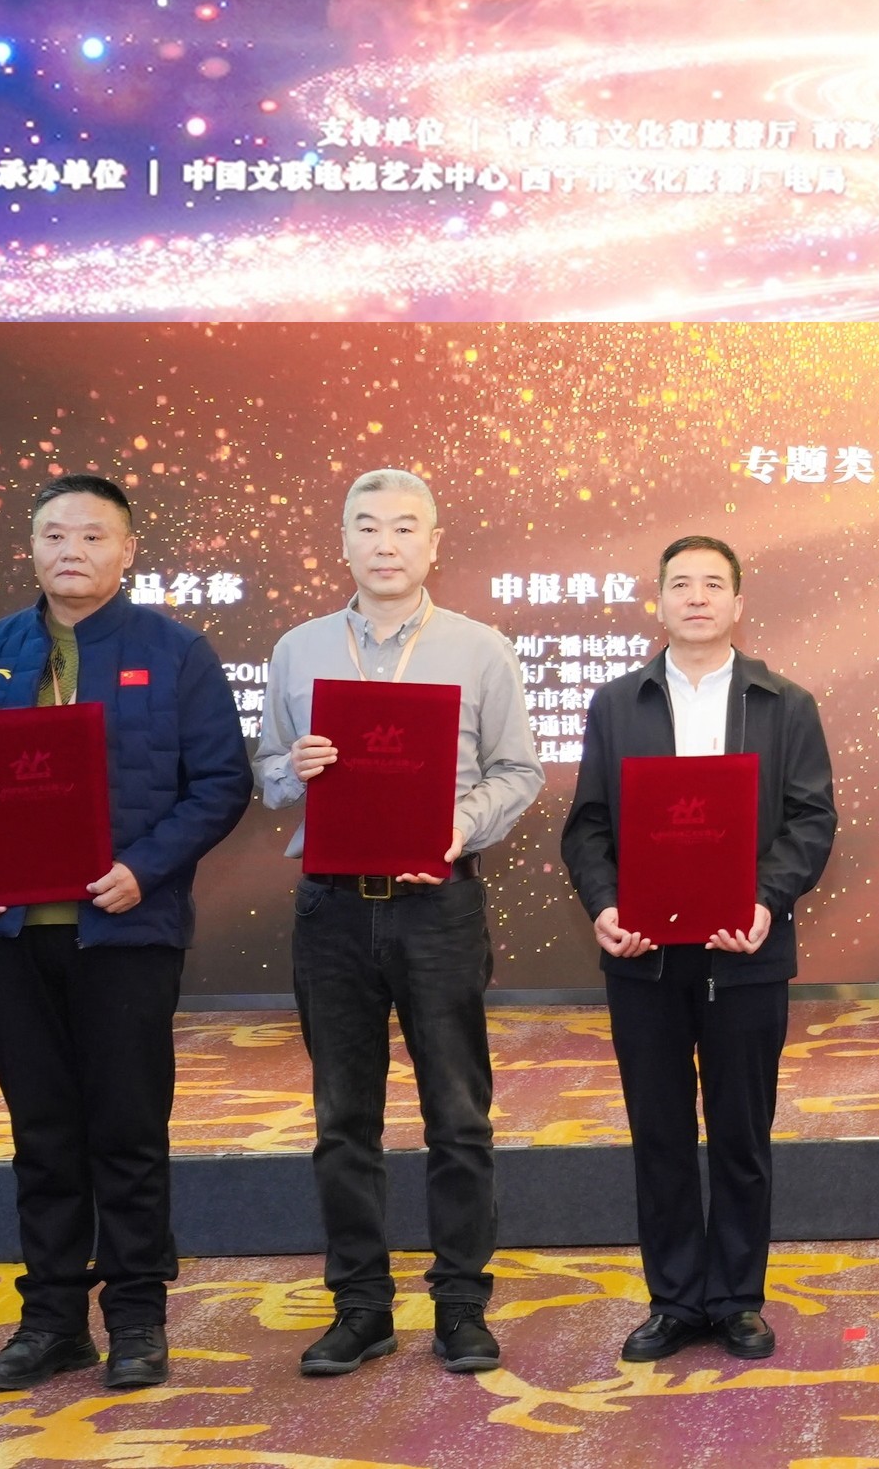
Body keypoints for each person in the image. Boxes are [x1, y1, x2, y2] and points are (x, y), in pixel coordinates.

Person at [0, 473, 253, 1394]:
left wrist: (145, 866)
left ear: (128, 550)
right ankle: (53, 1319)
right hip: (12, 933)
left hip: (126, 931)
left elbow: (220, 781)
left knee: (129, 1129)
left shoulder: (175, 651)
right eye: (55, 534)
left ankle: (138, 1316)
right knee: (42, 1131)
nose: (72, 550)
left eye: (93, 535)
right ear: (30, 548)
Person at [254, 469, 543, 1380]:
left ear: (433, 543)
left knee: (457, 1115)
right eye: (368, 526)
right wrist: (295, 766)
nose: (385, 542)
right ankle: (361, 1307)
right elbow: (265, 773)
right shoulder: (299, 648)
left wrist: (458, 824)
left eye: (404, 527)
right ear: (342, 540)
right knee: (343, 1117)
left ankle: (460, 1303)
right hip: (332, 907)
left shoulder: (479, 647)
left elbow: (519, 771)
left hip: (437, 906)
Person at [561, 533, 840, 1364]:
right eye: (679, 583)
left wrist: (764, 901)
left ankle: (737, 1299)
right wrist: (606, 905)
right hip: (643, 953)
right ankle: (676, 1300)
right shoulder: (617, 702)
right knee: (660, 1133)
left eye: (712, 583)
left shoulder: (784, 703)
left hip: (745, 949)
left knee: (741, 1133)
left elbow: (811, 820)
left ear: (737, 603)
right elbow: (588, 825)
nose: (695, 596)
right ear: (657, 600)